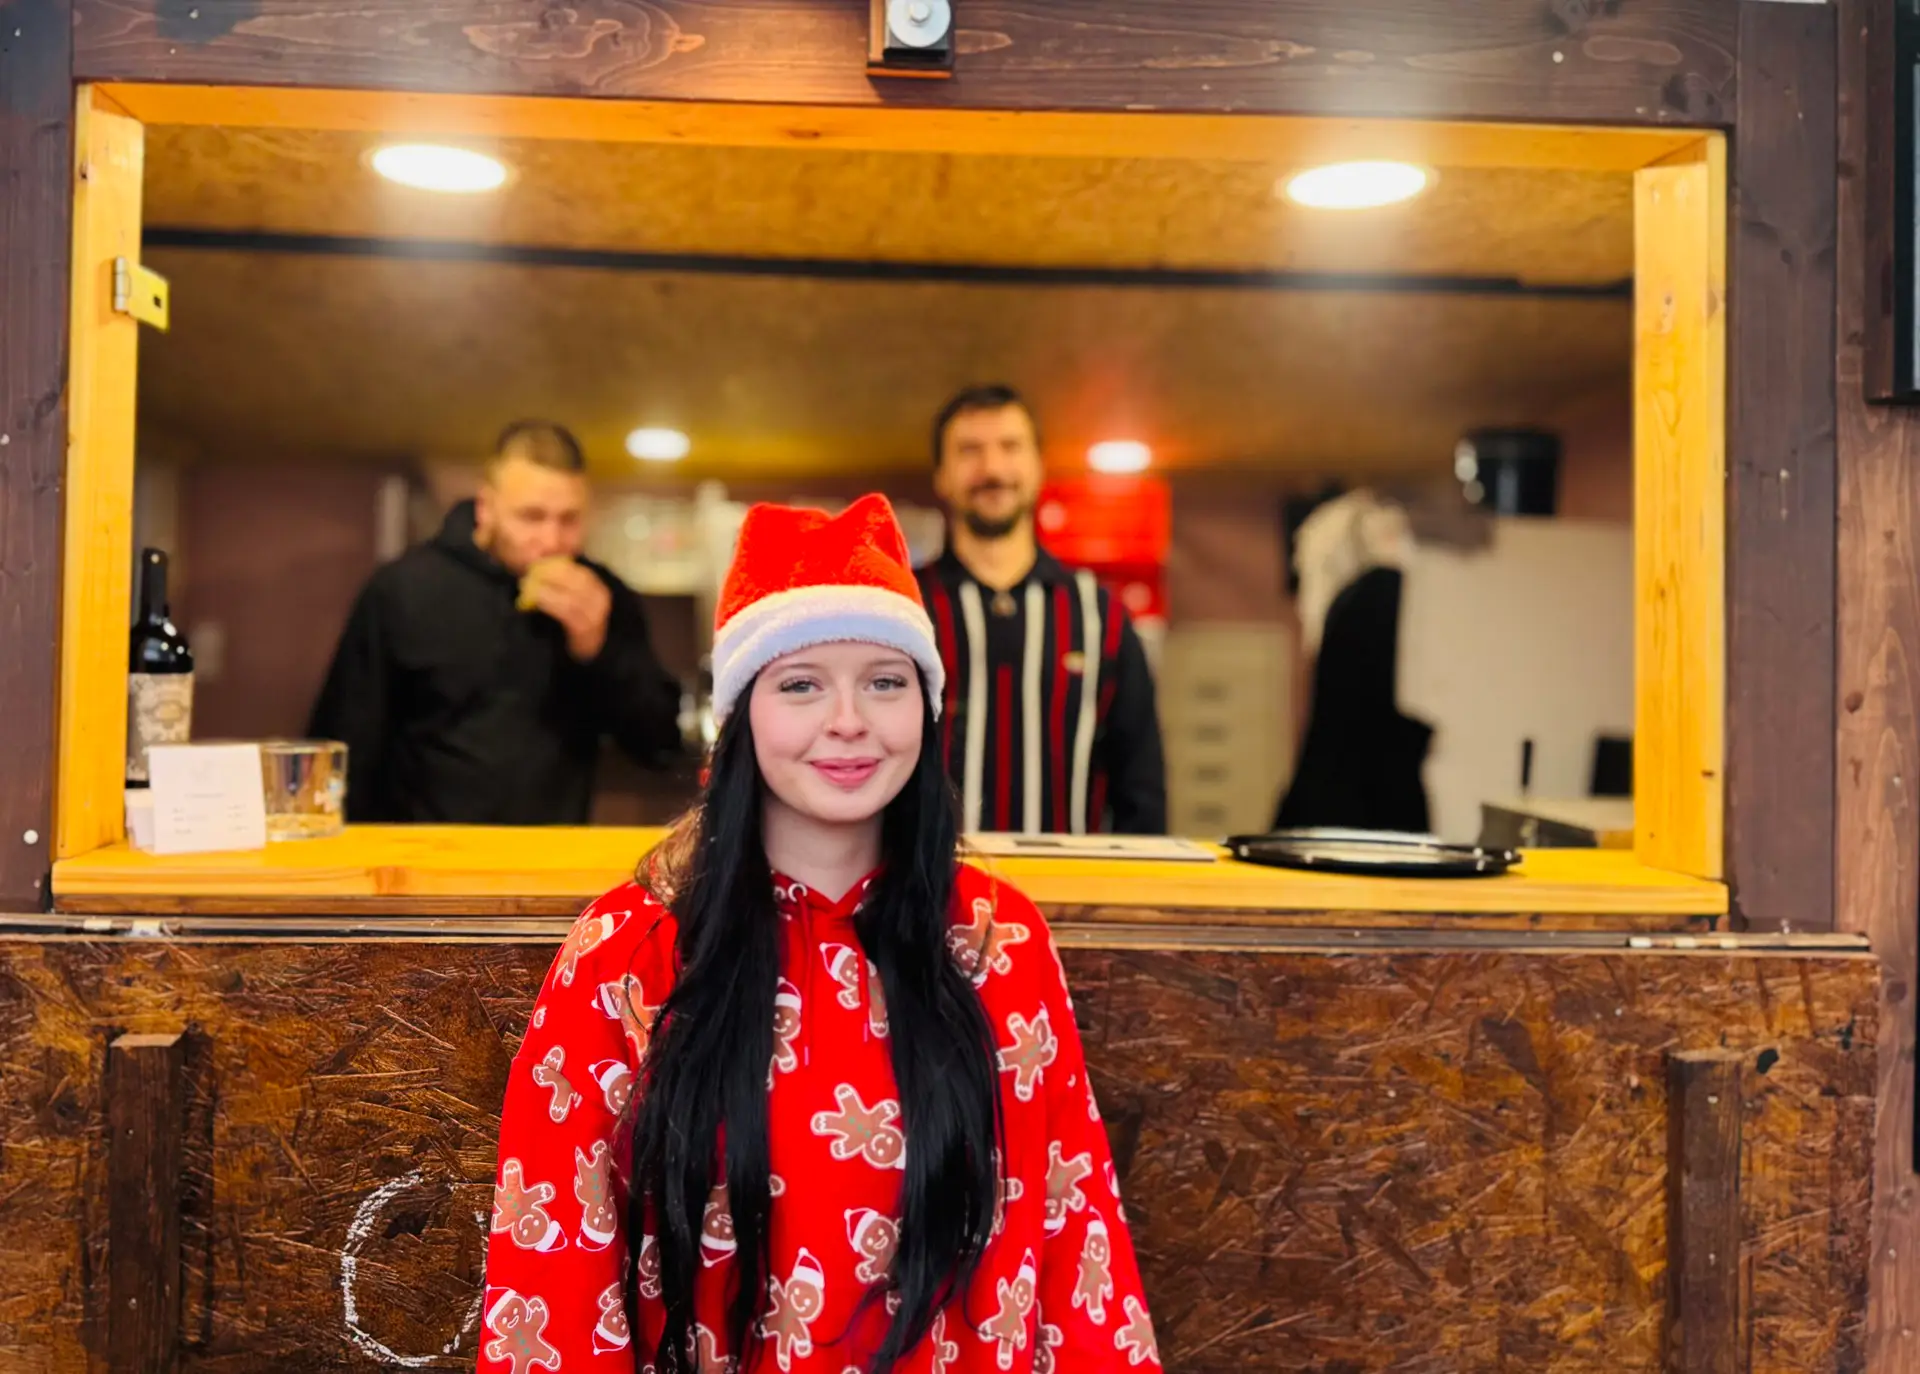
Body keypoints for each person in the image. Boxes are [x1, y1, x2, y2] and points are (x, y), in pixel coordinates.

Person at [481, 494, 1158, 1374]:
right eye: (801, 683)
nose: (849, 720)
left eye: (885, 681)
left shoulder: (1000, 945)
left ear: (927, 707)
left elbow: (1078, 1246)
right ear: (741, 715)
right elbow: (552, 1278)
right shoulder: (627, 950)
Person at [308, 420, 682, 824]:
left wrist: (599, 650)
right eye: (531, 517)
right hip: (419, 850)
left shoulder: (603, 595)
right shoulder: (403, 589)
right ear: (486, 508)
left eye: (569, 519)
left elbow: (660, 745)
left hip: (554, 850)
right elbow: (344, 742)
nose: (552, 540)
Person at [916, 385, 1166, 836]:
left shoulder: (1101, 615)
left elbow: (1141, 786)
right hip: (934, 878)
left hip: (1070, 879)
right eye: (969, 450)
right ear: (941, 476)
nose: (992, 469)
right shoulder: (905, 606)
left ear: (1038, 466)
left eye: (1010, 447)